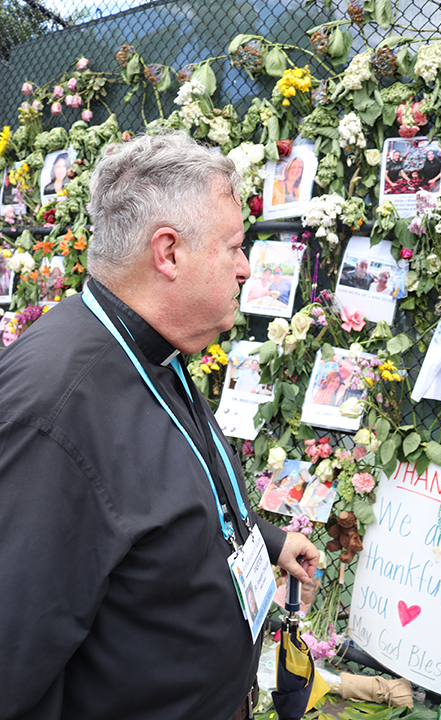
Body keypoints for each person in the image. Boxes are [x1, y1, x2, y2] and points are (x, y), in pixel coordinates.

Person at [0, 130, 319, 720]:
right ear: (168, 253)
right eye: (234, 248)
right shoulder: (54, 410)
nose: (248, 269)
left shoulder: (152, 348)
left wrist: (267, 542)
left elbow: (153, 499)